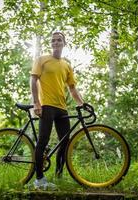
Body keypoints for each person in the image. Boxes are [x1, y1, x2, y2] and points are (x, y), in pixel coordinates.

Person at [30, 32, 84, 190]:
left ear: (64, 43)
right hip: (46, 105)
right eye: (53, 40)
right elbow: (33, 79)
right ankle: (39, 180)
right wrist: (36, 103)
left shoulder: (67, 65)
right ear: (51, 44)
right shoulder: (42, 59)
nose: (55, 42)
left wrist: (82, 103)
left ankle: (59, 176)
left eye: (59, 40)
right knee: (43, 141)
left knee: (65, 143)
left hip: (62, 108)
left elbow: (72, 88)